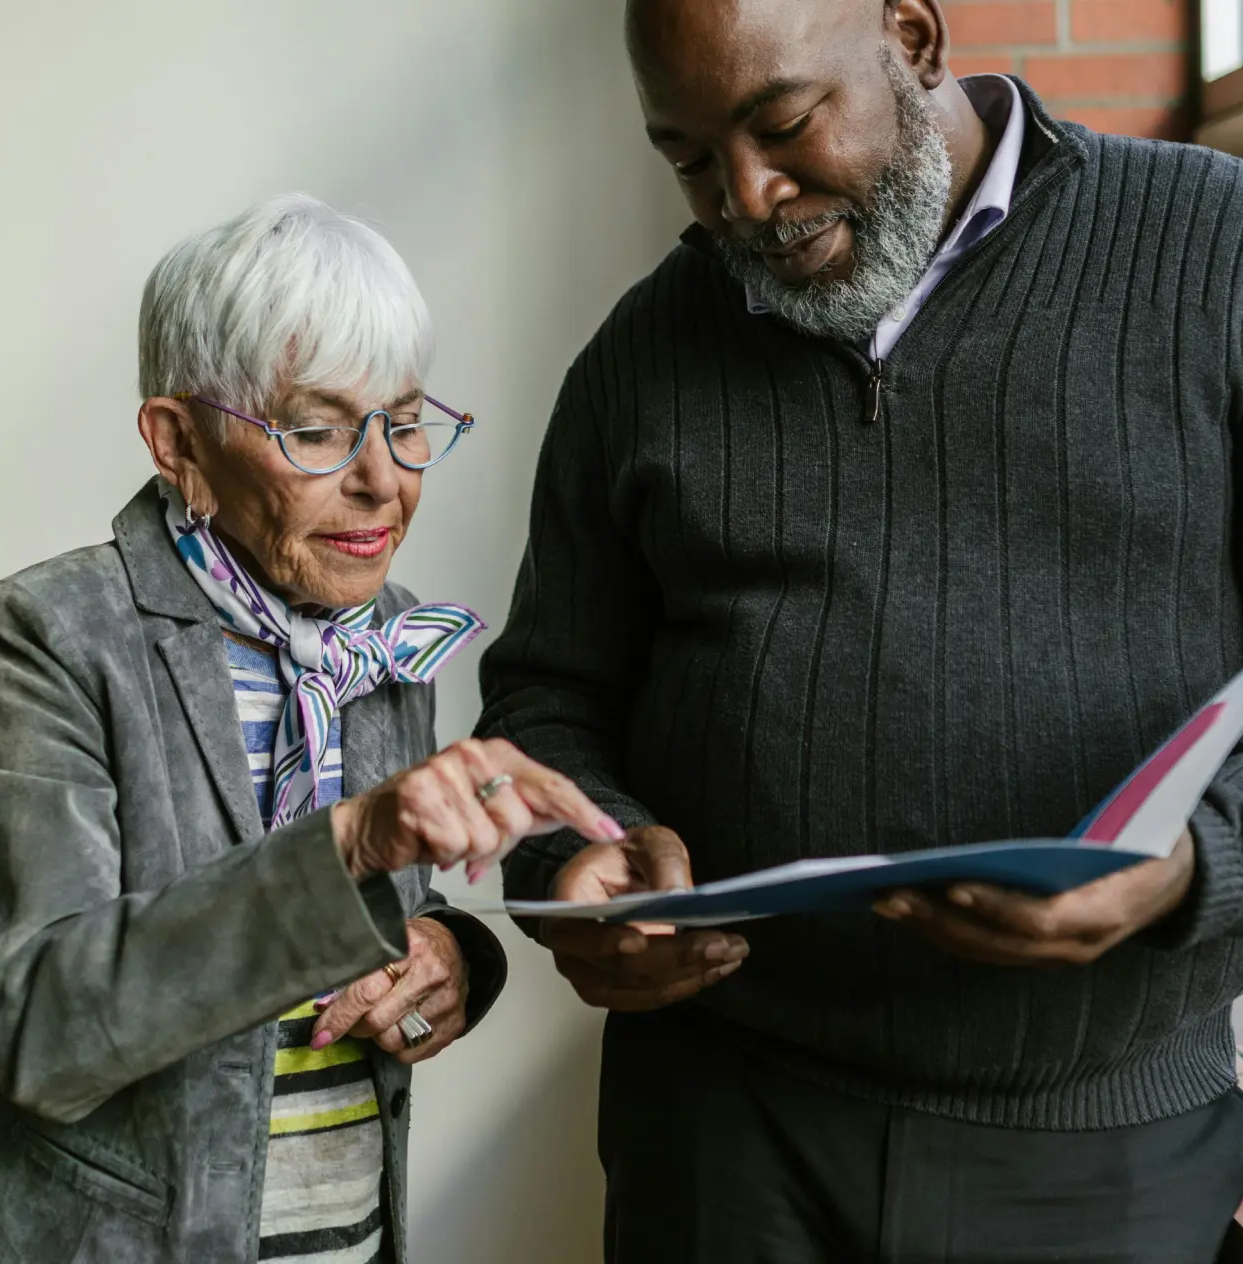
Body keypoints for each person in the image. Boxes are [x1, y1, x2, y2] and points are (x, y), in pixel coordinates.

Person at [477, 0, 1243, 1260]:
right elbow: (546, 699)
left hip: (1095, 1155)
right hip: (720, 1136)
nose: (743, 196)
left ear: (913, 37)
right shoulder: (640, 354)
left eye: (781, 123)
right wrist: (569, 863)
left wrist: (1192, 870)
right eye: (684, 155)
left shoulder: (1208, 250)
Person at [0, 194, 623, 1264]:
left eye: (402, 422)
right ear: (181, 444)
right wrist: (348, 841)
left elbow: (398, 908)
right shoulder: (52, 634)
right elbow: (41, 1022)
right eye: (314, 429)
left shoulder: (387, 638)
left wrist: (454, 954)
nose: (383, 481)